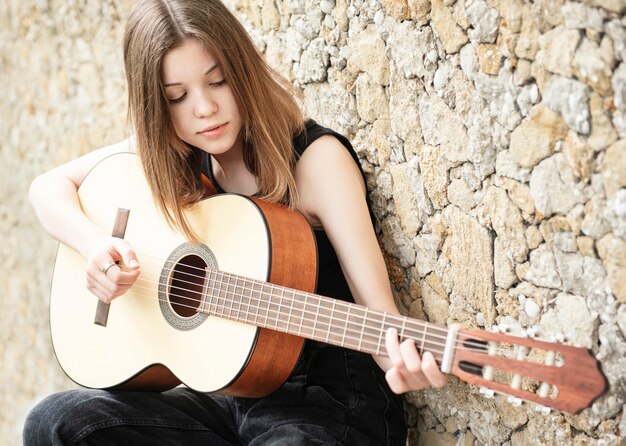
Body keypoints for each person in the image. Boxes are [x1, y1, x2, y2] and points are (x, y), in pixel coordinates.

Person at [25, 0, 447, 444]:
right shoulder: (175, 156)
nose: (203, 108)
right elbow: (47, 188)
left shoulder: (316, 163)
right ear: (156, 106)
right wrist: (94, 247)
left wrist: (405, 359)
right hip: (234, 398)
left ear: (242, 70)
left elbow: (380, 316)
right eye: (177, 96)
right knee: (57, 422)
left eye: (218, 81)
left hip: (329, 408)